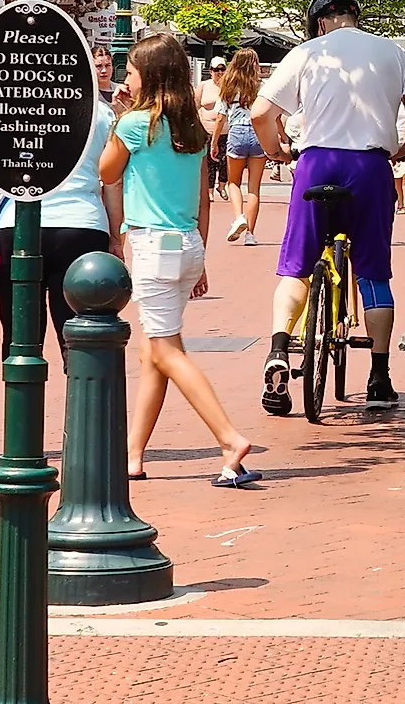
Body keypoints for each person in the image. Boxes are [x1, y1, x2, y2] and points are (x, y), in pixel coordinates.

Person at [256, 0, 405, 418]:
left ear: (319, 21)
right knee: (373, 273)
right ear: (357, 16)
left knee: (296, 266)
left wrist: (276, 152)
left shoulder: (307, 53)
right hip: (370, 168)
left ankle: (279, 348)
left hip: (317, 163)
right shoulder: (397, 53)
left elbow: (262, 113)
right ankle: (378, 375)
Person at [106, 33, 259, 487]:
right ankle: (133, 455)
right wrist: (203, 259)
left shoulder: (136, 124)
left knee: (166, 351)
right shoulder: (192, 126)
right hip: (188, 242)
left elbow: (105, 171)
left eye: (130, 72)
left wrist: (119, 118)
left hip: (154, 247)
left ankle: (229, 438)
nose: (125, 80)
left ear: (148, 76)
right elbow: (203, 201)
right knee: (153, 352)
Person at [0, 49, 120, 352]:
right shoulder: (102, 114)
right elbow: (111, 181)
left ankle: (20, 394)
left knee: (19, 335)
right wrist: (116, 237)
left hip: (19, 225)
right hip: (82, 225)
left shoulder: (15, 109)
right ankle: (79, 391)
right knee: (78, 335)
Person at [210, 52, 267, 245]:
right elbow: (270, 115)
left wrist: (214, 142)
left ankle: (238, 217)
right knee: (254, 188)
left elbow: (220, 117)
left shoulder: (228, 86)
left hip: (236, 133)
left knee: (233, 182)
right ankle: (250, 234)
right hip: (257, 133)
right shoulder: (261, 87)